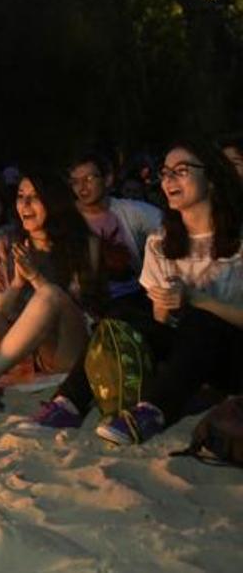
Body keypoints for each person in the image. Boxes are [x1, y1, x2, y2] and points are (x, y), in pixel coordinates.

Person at [95, 140, 243, 444]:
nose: (169, 179)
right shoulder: (160, 242)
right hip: (190, 352)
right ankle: (66, 403)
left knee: (201, 319)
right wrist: (167, 302)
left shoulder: (238, 240)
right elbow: (160, 321)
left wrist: (196, 299)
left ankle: (154, 411)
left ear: (211, 179)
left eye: (182, 170)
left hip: (234, 356)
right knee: (121, 313)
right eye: (165, 173)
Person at [0, 170, 104, 415]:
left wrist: (35, 277)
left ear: (53, 202)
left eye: (34, 197)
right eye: (20, 196)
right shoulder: (5, 244)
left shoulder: (83, 243)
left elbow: (87, 309)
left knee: (48, 293)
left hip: (64, 347)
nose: (25, 205)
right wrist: (17, 284)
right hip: (19, 351)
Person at [67, 153, 162, 302]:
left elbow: (165, 225)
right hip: (83, 302)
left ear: (107, 179)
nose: (82, 187)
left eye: (89, 179)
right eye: (75, 181)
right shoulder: (66, 217)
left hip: (131, 298)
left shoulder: (129, 211)